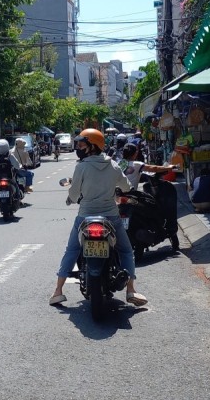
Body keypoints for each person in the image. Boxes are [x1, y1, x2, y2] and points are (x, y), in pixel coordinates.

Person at [49, 128, 147, 307]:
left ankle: (58, 291)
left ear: (92, 146)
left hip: (85, 216)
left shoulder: (81, 166)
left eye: (81, 145)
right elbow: (126, 187)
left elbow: (74, 194)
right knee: (126, 251)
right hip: (111, 216)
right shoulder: (113, 165)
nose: (78, 148)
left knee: (72, 251)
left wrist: (74, 197)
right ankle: (131, 289)